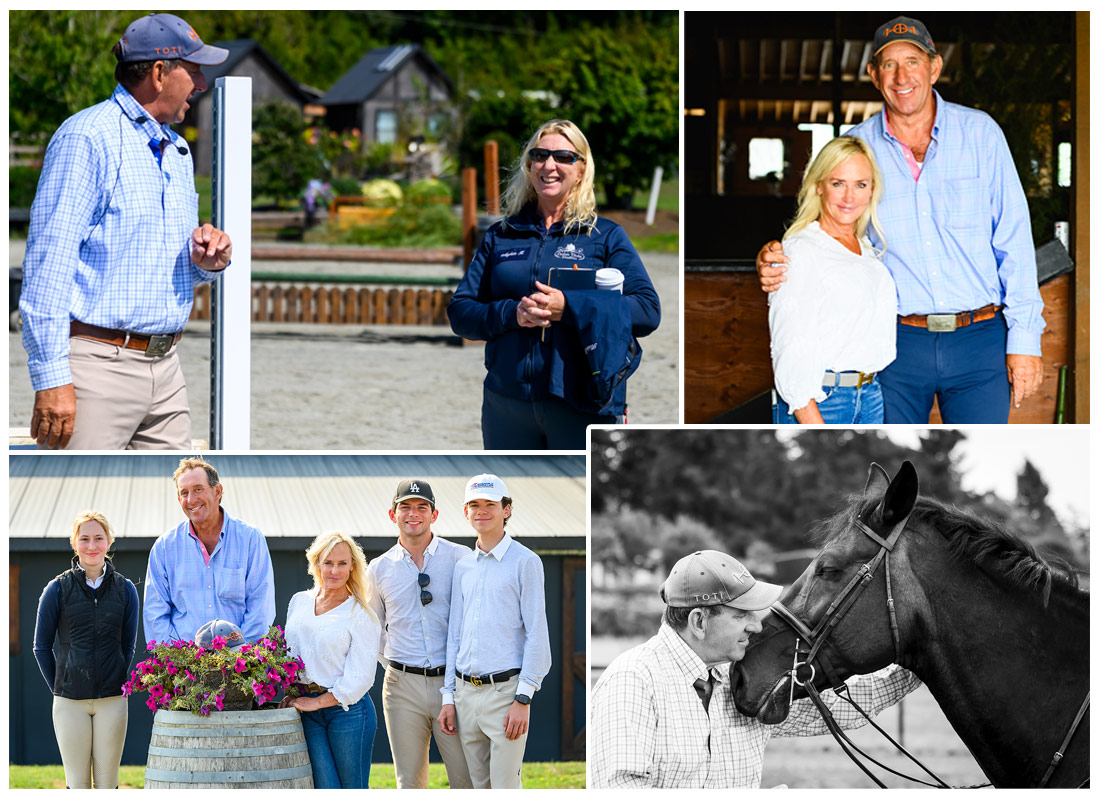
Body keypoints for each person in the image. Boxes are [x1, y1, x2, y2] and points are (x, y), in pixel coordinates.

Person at [757, 16, 1044, 423]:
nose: (901, 76)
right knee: (893, 459)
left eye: (912, 61)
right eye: (888, 64)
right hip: (896, 345)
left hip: (980, 340)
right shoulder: (856, 146)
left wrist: (1025, 340)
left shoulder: (982, 134)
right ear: (874, 75)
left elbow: (1014, 241)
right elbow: (828, 227)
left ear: (934, 67)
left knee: (978, 451)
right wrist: (776, 255)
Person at [21, 12, 234, 450]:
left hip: (167, 369)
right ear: (159, 73)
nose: (201, 84)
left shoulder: (177, 149)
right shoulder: (86, 137)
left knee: (172, 493)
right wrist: (51, 378)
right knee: (82, 494)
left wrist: (205, 262)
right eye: (194, 70)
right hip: (96, 371)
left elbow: (160, 267)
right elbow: (48, 264)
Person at [589, 550, 921, 788]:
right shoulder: (632, 681)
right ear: (699, 621)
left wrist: (923, 656)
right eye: (741, 614)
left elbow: (840, 709)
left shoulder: (740, 680)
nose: (756, 625)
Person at [447, 119, 661, 449]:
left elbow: (647, 311)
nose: (549, 165)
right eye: (540, 155)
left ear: (581, 169)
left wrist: (569, 307)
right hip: (507, 405)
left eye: (563, 156)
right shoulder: (501, 235)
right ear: (529, 165)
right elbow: (460, 312)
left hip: (582, 404)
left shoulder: (604, 236)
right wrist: (512, 314)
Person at [769, 137, 896, 424]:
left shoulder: (867, 250)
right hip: (823, 399)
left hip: (870, 394)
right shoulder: (802, 250)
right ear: (819, 186)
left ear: (872, 189)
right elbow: (790, 348)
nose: (849, 197)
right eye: (838, 183)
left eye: (860, 184)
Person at [437, 474, 551, 789]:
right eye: (474, 504)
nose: (481, 511)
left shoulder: (526, 562)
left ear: (506, 509)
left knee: (505, 787)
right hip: (465, 696)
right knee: (479, 787)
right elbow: (455, 636)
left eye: (490, 504)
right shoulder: (463, 567)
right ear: (466, 512)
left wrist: (523, 699)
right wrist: (449, 697)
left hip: (506, 695)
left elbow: (537, 633)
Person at [367, 480, 474, 789]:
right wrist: (396, 668)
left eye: (421, 507)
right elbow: (374, 629)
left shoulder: (461, 558)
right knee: (410, 783)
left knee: (466, 778)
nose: (413, 513)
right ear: (393, 514)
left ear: (434, 514)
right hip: (402, 687)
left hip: (454, 684)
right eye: (405, 507)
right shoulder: (379, 568)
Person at [33, 511, 140, 789]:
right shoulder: (56, 589)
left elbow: (127, 646)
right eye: (84, 539)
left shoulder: (126, 590)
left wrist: (114, 676)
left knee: (107, 784)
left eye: (98, 538)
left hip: (113, 701)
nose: (92, 546)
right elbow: (41, 647)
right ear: (74, 543)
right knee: (78, 785)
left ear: (109, 541)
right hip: (69, 703)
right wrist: (61, 686)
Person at [283, 531, 382, 789]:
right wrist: (291, 693)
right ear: (316, 564)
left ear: (352, 567)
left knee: (351, 789)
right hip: (306, 708)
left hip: (347, 712)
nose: (334, 570)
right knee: (324, 787)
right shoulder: (299, 601)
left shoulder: (361, 613)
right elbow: (290, 652)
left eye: (342, 563)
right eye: (328, 562)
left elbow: (361, 677)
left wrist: (317, 702)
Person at [143, 457, 275, 645]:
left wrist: (241, 655)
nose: (191, 499)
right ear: (179, 499)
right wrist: (178, 658)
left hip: (239, 658)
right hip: (182, 661)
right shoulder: (164, 548)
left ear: (217, 491)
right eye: (184, 493)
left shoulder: (250, 539)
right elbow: (155, 614)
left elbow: (260, 608)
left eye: (198, 489)